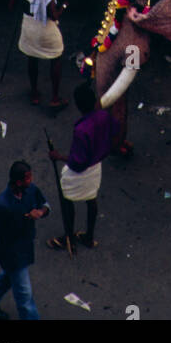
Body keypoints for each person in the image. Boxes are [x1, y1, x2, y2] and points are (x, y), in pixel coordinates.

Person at [0, 160, 49, 321]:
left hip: (25, 247)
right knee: (25, 296)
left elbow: (45, 205)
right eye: (28, 178)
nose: (31, 181)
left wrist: (41, 212)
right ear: (18, 182)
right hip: (11, 254)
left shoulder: (31, 191)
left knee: (7, 279)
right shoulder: (0, 207)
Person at [46, 83, 116, 251]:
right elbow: (114, 131)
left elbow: (77, 161)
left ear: (78, 106)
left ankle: (68, 237)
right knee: (91, 198)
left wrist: (58, 156)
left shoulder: (81, 130)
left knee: (67, 199)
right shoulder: (104, 116)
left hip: (81, 171)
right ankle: (89, 237)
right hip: (96, 166)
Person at [18, 0, 66, 109]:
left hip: (28, 27)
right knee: (56, 57)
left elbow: (12, 5)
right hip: (45, 30)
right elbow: (53, 14)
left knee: (32, 58)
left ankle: (34, 93)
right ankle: (55, 97)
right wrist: (64, 6)